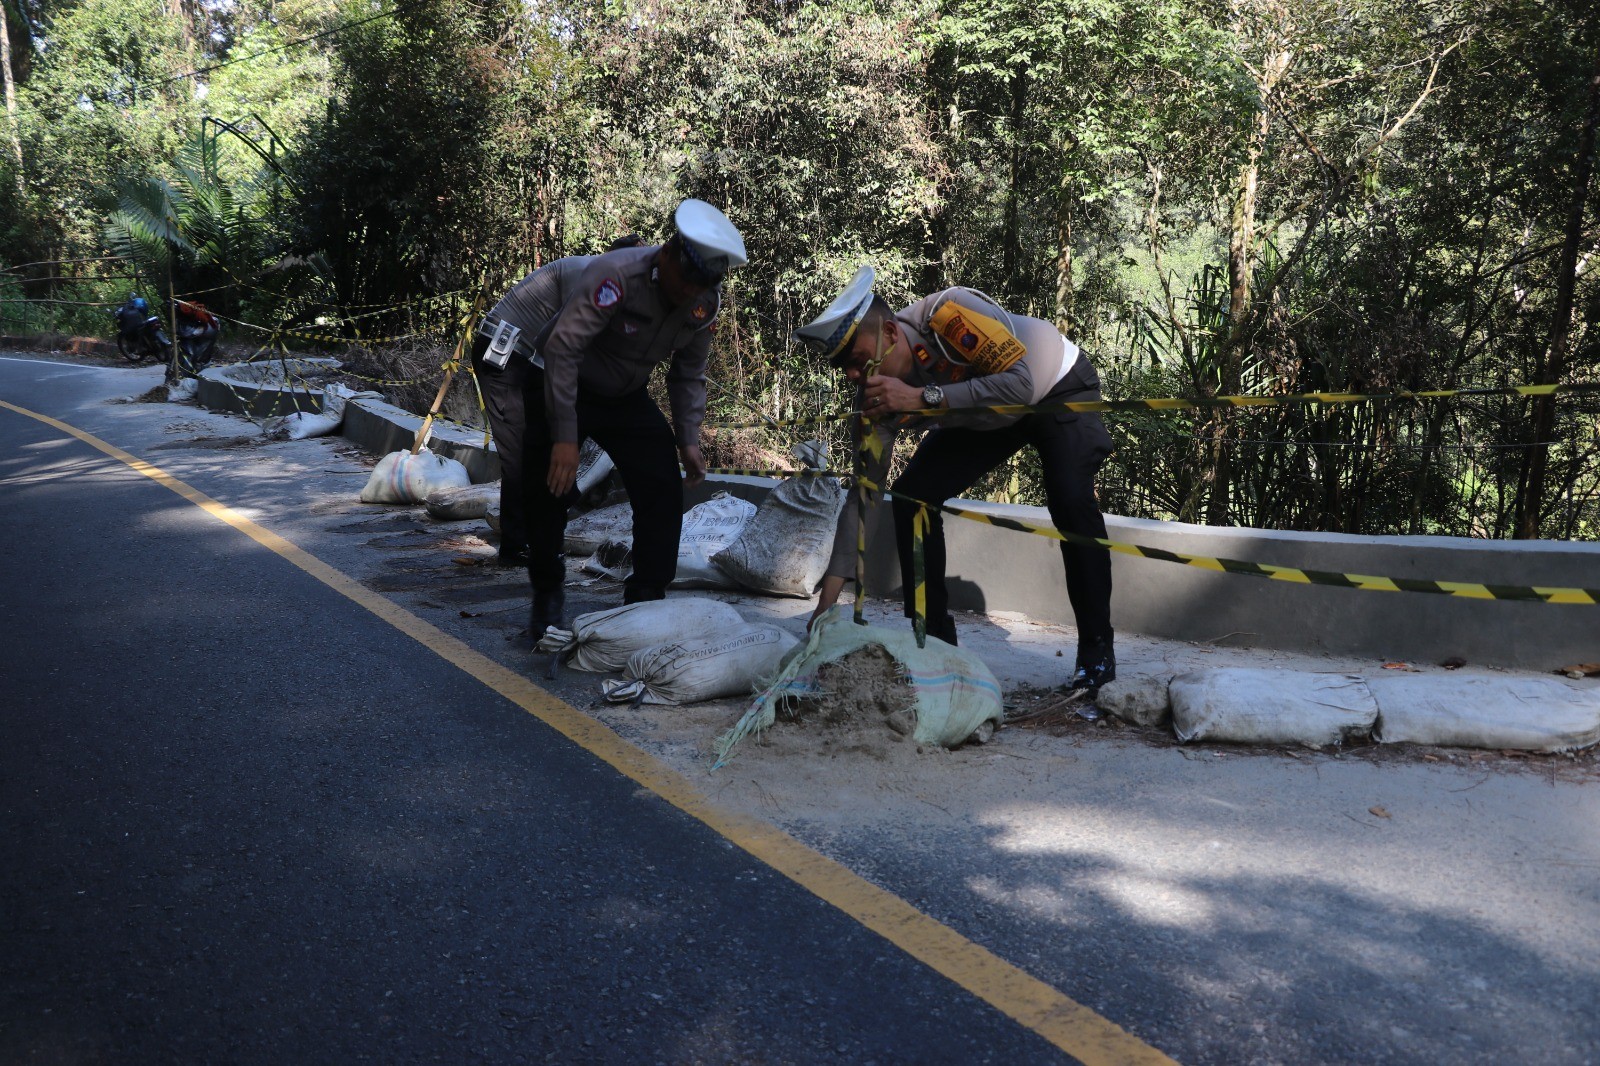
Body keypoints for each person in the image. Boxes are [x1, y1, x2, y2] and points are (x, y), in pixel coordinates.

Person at [795, 265, 1118, 692]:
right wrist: (827, 605)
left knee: (1071, 501)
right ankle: (932, 643)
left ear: (891, 332)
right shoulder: (874, 399)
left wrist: (922, 397)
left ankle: (1096, 653)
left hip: (1056, 389)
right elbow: (865, 498)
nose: (856, 377)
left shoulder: (950, 313)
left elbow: (1019, 385)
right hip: (982, 414)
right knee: (913, 498)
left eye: (857, 361)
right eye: (845, 369)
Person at [521, 200, 747, 643]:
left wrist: (689, 440)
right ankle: (547, 594)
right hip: (563, 380)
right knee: (550, 487)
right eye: (686, 280)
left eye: (700, 286)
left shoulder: (703, 304)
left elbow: (688, 374)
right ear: (667, 253)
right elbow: (562, 350)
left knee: (662, 483)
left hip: (625, 395)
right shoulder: (616, 275)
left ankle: (645, 599)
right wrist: (565, 437)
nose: (688, 294)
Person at [470, 235, 645, 567]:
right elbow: (573, 344)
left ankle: (536, 534)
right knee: (520, 452)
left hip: (525, 361)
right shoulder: (591, 275)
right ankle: (516, 545)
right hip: (505, 356)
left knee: (536, 448)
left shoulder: (599, 277)